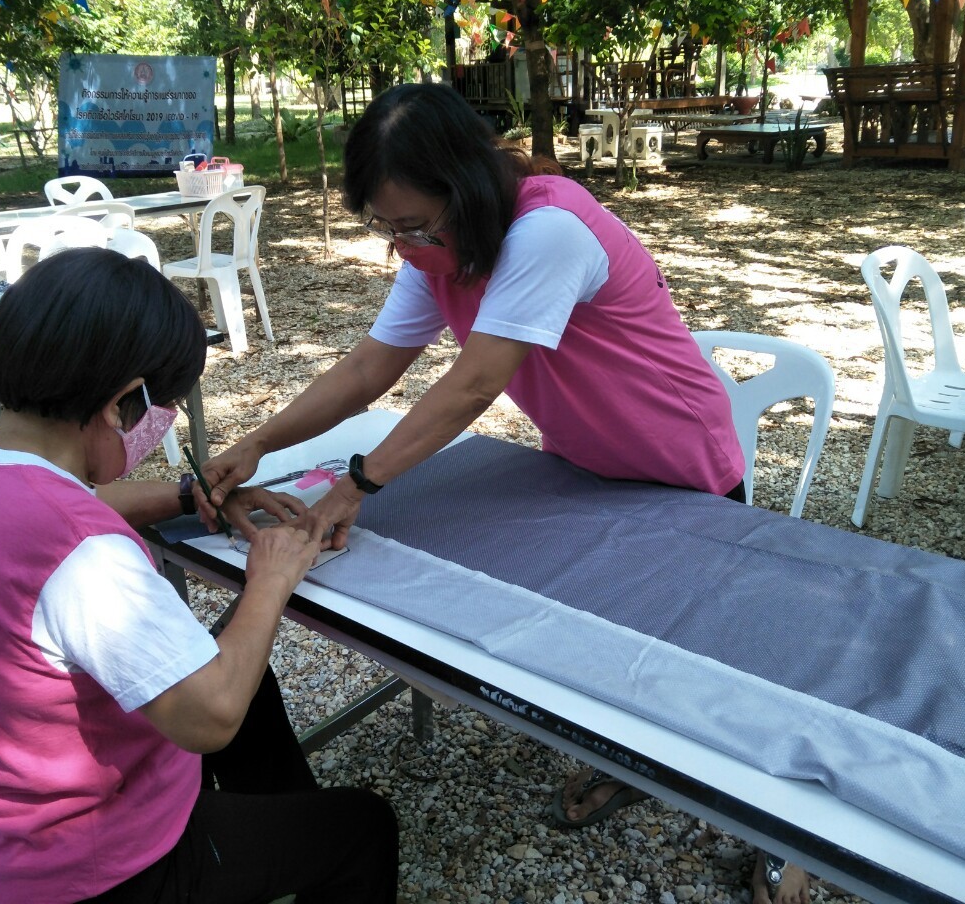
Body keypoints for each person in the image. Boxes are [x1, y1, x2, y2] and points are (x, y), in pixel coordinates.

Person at [201, 83, 804, 903]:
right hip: (586, 467)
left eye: (416, 224)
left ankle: (786, 835)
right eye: (387, 227)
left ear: (467, 188)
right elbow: (369, 367)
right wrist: (258, 442)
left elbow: (475, 382)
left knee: (718, 656)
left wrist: (357, 484)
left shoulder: (546, 230)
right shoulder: (441, 252)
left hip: (682, 464)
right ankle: (629, 759)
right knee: (618, 642)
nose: (405, 244)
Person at [0, 249, 398, 904]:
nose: (166, 422)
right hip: (96, 868)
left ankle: (270, 837)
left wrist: (189, 495)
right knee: (363, 827)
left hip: (3, 833)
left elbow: (67, 504)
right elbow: (210, 720)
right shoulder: (87, 558)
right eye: (163, 408)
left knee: (251, 684)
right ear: (121, 404)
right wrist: (271, 578)